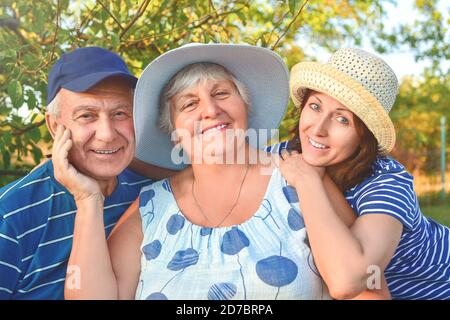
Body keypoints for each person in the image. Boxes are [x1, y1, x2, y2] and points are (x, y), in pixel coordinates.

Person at [58, 43, 361, 300]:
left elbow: (366, 289)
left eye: (220, 93)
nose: (210, 110)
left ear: (246, 105)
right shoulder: (151, 208)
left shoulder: (299, 180)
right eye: (190, 104)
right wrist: (88, 201)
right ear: (172, 128)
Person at [277, 48, 450, 300]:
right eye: (315, 106)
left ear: (365, 135)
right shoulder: (288, 154)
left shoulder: (387, 184)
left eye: (343, 120)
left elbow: (350, 281)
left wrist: (309, 179)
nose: (318, 129)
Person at [0, 47, 170, 299]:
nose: (107, 133)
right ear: (55, 126)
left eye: (120, 113)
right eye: (86, 116)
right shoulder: (10, 216)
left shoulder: (150, 194)